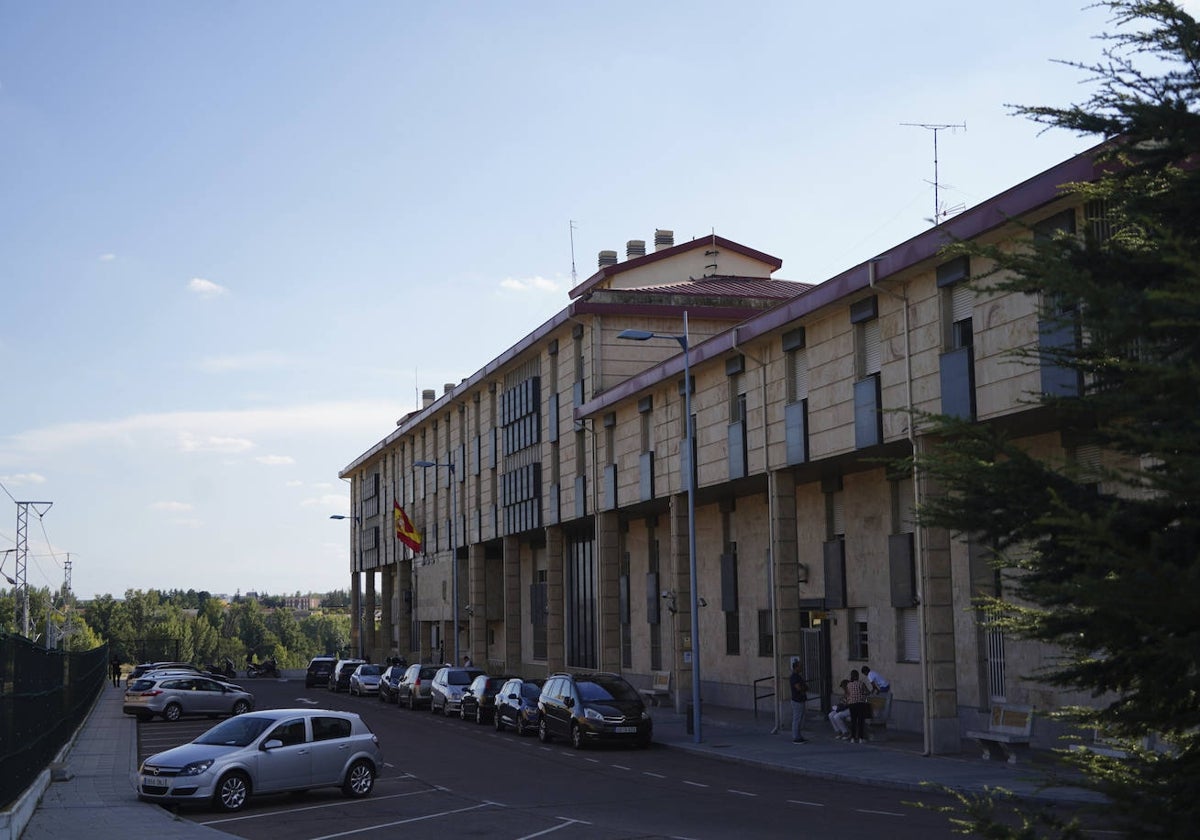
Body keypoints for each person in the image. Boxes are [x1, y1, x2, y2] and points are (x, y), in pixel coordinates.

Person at [845, 669, 870, 744]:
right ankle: (860, 738)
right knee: (860, 721)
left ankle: (853, 738)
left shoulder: (848, 684)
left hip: (852, 704)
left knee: (853, 721)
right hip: (860, 704)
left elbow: (847, 694)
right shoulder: (861, 683)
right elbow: (867, 692)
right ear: (858, 676)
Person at [788, 658, 808, 743]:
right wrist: (804, 688)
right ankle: (796, 737)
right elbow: (798, 688)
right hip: (797, 700)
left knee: (799, 719)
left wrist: (805, 688)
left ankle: (799, 735)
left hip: (800, 699)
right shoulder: (794, 677)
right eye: (800, 666)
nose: (802, 668)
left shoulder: (798, 676)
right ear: (796, 667)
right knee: (797, 719)